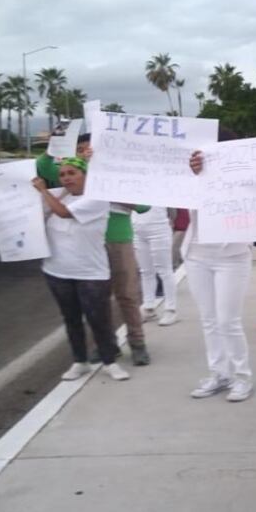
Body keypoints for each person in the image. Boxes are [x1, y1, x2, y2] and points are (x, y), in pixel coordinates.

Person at [37, 135, 152, 366]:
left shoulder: (117, 175)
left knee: (127, 295)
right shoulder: (73, 172)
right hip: (85, 246)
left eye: (88, 149)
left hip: (117, 239)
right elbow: (43, 166)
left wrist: (108, 188)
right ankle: (106, 345)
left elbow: (143, 205)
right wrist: (55, 144)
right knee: (97, 301)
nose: (84, 153)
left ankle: (137, 343)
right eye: (79, 149)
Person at [31, 157, 130, 382]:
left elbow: (64, 213)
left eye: (72, 173)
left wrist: (43, 192)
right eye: (63, 174)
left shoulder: (97, 198)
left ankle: (109, 361)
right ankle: (80, 361)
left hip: (91, 273)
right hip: (57, 271)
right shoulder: (57, 195)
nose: (66, 178)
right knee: (71, 319)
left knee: (99, 319)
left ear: (86, 175)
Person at [183, 128, 255, 402]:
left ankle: (242, 376)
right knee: (209, 320)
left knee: (228, 320)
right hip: (196, 254)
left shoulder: (244, 177)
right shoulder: (190, 175)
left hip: (232, 256)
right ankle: (219, 373)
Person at [133, 205, 178, 326]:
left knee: (164, 270)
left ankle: (170, 309)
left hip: (159, 227)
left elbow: (172, 208)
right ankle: (148, 307)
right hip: (137, 229)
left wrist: (171, 220)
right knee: (145, 271)